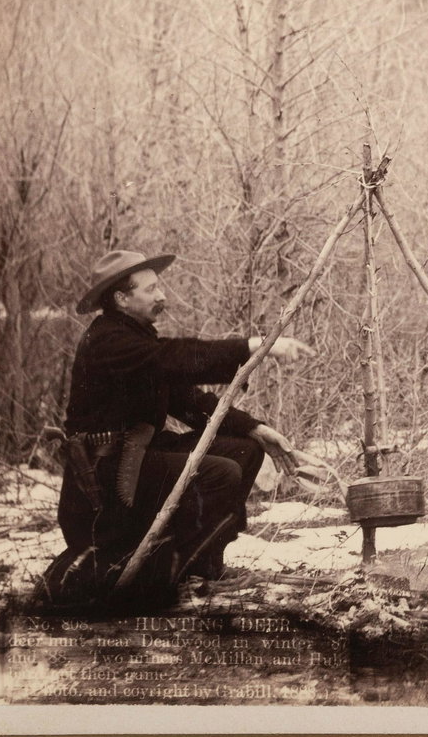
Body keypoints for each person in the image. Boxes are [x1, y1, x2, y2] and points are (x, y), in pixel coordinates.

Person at [52, 249, 312, 596]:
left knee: (244, 451)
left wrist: (254, 428)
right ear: (121, 298)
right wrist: (255, 346)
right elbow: (175, 358)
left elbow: (186, 400)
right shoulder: (108, 341)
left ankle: (205, 567)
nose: (162, 296)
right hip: (106, 479)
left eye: (159, 287)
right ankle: (168, 572)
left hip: (136, 459)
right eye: (151, 289)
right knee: (220, 472)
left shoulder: (134, 336)